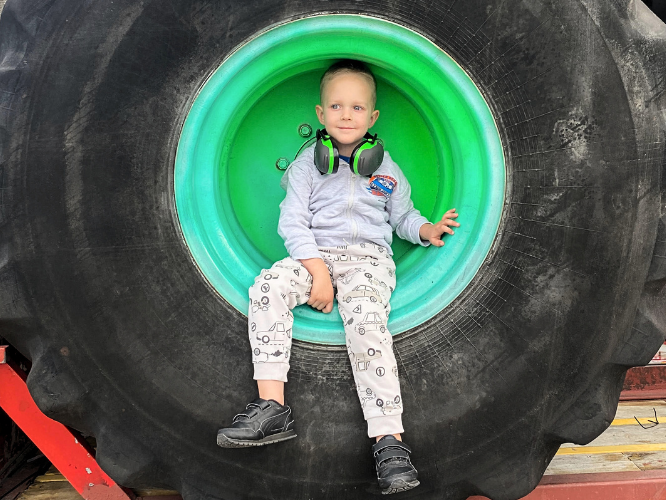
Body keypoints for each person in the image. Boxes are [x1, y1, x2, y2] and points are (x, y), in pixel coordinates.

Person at [216, 59, 460, 495]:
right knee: (268, 287)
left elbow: (403, 217)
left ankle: (389, 441)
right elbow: (292, 223)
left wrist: (427, 230)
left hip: (369, 261)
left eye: (357, 107)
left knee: (367, 324)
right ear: (321, 113)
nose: (346, 115)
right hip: (317, 257)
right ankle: (272, 407)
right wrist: (318, 273)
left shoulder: (386, 170)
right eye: (336, 106)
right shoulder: (305, 168)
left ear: (373, 117)